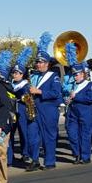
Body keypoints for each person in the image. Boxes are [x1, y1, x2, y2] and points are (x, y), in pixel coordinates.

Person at [26, 32, 62, 171]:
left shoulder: (53, 76)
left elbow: (56, 93)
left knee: (49, 136)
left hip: (48, 109)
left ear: (47, 63)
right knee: (33, 136)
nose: (38, 64)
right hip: (35, 109)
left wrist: (39, 92)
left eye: (41, 62)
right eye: (37, 62)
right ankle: (34, 160)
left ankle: (50, 161)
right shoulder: (34, 76)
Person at [64, 46, 92, 164]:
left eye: (77, 74)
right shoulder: (73, 86)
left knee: (85, 135)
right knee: (72, 134)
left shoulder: (90, 84)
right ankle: (77, 154)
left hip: (85, 113)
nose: (75, 76)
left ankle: (85, 156)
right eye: (74, 75)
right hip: (73, 113)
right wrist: (67, 101)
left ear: (83, 74)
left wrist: (76, 97)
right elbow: (71, 97)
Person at [9, 47, 34, 167]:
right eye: (14, 72)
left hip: (22, 110)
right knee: (10, 134)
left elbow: (28, 98)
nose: (15, 75)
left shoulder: (25, 85)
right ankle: (10, 155)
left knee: (24, 133)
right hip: (12, 111)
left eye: (17, 73)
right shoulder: (10, 84)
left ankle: (25, 153)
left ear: (22, 74)